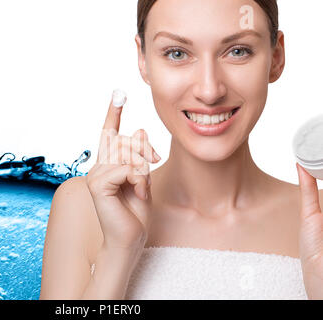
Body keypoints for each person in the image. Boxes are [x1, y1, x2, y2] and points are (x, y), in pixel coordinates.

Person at [39, 0, 323, 299]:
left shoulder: (317, 221)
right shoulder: (85, 207)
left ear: (276, 56)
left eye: (238, 51)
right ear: (143, 59)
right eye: (177, 53)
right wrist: (119, 252)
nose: (210, 90)